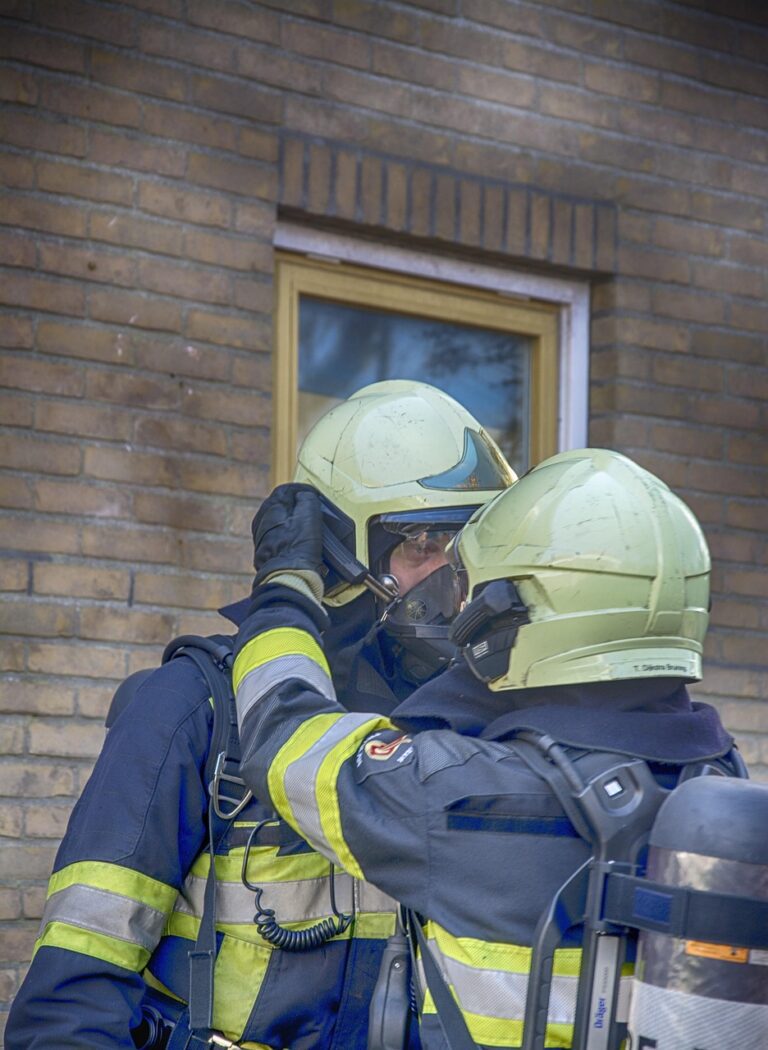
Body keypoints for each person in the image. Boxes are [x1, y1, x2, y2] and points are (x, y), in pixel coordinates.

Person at [7, 381, 516, 1050]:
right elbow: (70, 1006)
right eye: (423, 544)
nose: (452, 580)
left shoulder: (469, 727)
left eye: (467, 548)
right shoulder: (196, 705)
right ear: (338, 552)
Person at [229, 448, 741, 1050]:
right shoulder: (722, 788)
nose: (461, 609)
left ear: (519, 614)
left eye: (477, 593)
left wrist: (284, 591)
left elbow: (283, 733)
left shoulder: (459, 790)